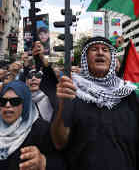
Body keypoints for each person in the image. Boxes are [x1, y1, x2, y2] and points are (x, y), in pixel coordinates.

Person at [51, 36, 139, 170]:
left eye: (105, 49)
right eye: (94, 49)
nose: (100, 52)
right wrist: (63, 106)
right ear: (85, 59)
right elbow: (59, 142)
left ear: (112, 58)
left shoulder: (127, 92)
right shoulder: (71, 89)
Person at [0, 80, 63, 170]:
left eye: (15, 101)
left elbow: (61, 163)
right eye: (3, 102)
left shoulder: (42, 131)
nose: (8, 105)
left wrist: (44, 162)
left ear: (25, 103)